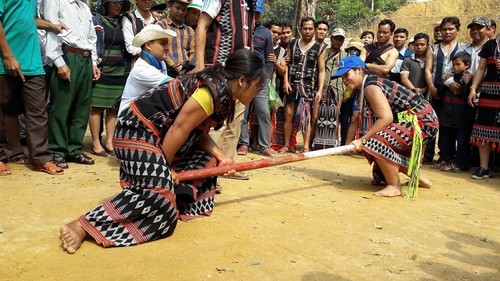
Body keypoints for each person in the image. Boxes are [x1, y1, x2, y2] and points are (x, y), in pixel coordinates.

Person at [59, 49, 268, 254]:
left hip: (158, 137)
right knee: (159, 195)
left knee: (208, 161)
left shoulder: (223, 91)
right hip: (135, 132)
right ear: (242, 81)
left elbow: (197, 130)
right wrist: (165, 168)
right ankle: (83, 225)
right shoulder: (211, 91)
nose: (258, 91)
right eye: (257, 86)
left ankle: (176, 199)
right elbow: (180, 128)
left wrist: (222, 157)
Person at [334, 56, 438, 198]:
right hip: (415, 121)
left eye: (347, 75)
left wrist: (362, 140)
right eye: (342, 77)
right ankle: (417, 176)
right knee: (377, 168)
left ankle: (394, 186)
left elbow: (386, 118)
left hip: (423, 123)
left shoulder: (370, 87)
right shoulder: (366, 86)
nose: (344, 80)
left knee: (374, 141)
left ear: (359, 70)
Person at [0, 0, 66, 176]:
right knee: (2, 109)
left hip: (32, 62)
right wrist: (7, 56)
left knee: (38, 111)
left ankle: (41, 159)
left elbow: (29, 18)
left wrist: (51, 26)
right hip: (4, 61)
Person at [192, 0, 256, 178]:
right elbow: (202, 25)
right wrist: (199, 64)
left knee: (235, 120)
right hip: (219, 69)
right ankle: (207, 169)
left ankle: (227, 166)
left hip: (241, 72)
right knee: (214, 123)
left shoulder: (250, 4)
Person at [44, 0, 101, 169]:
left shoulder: (84, 7)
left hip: (85, 58)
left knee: (82, 106)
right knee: (62, 105)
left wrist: (93, 62)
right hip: (67, 55)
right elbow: (51, 31)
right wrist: (58, 61)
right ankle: (57, 149)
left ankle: (74, 148)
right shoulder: (55, 1)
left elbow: (92, 37)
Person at [89, 0, 130, 157]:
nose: (117, 5)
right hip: (102, 69)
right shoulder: (97, 20)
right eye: (114, 2)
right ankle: (95, 142)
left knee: (113, 108)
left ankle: (109, 141)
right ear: (106, 4)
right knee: (97, 106)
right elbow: (93, 42)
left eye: (120, 2)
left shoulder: (123, 21)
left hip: (119, 70)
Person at [281, 17, 326, 153]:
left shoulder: (320, 47)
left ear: (314, 30)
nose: (307, 31)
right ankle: (287, 145)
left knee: (306, 117)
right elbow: (286, 64)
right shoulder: (293, 43)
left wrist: (319, 90)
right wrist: (285, 81)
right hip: (292, 85)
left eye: (310, 29)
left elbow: (322, 70)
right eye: (305, 28)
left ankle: (306, 146)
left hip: (308, 87)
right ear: (300, 29)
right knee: (288, 115)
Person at [425, 16, 465, 166]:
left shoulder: (463, 48)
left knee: (448, 125)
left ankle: (446, 155)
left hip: (454, 94)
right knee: (430, 122)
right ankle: (428, 155)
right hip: (434, 91)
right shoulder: (433, 49)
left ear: (457, 30)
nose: (447, 32)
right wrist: (432, 87)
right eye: (444, 29)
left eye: (451, 29)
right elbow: (428, 70)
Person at [237, 3, 275, 157]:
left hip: (260, 80)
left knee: (264, 112)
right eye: (253, 13)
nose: (255, 16)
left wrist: (264, 78)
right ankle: (244, 144)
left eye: (258, 13)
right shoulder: (239, 30)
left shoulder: (266, 33)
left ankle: (264, 146)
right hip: (244, 80)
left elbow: (270, 58)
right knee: (242, 114)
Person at [118, 25, 176, 115]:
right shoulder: (142, 69)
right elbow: (176, 86)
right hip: (128, 121)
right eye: (163, 43)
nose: (167, 48)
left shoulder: (161, 64)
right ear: (148, 45)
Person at [467, 37, 500, 179]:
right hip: (488, 93)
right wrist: (473, 88)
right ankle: (483, 167)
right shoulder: (491, 44)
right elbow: (481, 68)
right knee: (483, 128)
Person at [437, 52, 474, 173]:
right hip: (448, 114)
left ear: (467, 65)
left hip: (463, 117)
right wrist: (445, 82)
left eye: (458, 64)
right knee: (447, 139)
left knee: (462, 141)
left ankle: (460, 163)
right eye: (453, 64)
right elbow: (439, 93)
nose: (455, 67)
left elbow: (464, 94)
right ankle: (445, 159)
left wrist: (467, 83)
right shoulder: (449, 78)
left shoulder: (470, 79)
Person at [312, 27, 346, 149]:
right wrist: (320, 90)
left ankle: (332, 144)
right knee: (316, 116)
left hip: (338, 89)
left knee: (334, 117)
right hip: (324, 87)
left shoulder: (345, 55)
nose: (338, 41)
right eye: (336, 38)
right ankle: (314, 143)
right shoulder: (324, 52)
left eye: (340, 39)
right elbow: (321, 70)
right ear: (331, 39)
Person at [157, 0, 195, 78]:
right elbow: (161, 50)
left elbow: (193, 51)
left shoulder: (189, 30)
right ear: (169, 7)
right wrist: (177, 67)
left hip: (186, 73)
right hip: (167, 71)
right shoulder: (161, 26)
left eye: (184, 9)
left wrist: (189, 68)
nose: (181, 12)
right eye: (178, 8)